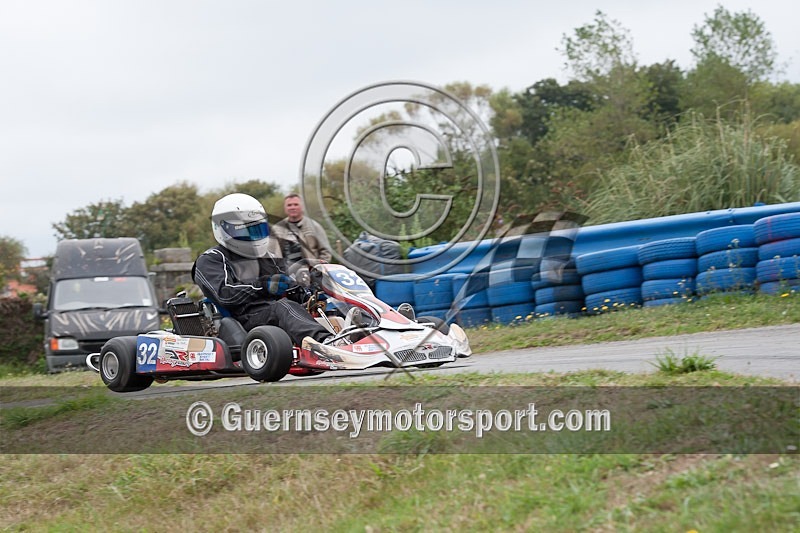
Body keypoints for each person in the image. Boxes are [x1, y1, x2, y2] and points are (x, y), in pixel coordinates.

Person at [192, 193, 338, 353]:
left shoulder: (267, 256)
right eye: (246, 230)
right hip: (242, 320)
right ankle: (326, 344)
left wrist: (310, 293)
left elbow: (289, 285)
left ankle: (357, 338)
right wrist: (263, 286)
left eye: (257, 229)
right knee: (283, 307)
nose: (253, 236)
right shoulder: (211, 259)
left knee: (332, 304)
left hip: (274, 315)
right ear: (224, 228)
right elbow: (224, 295)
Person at [269, 193, 333, 266]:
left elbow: (326, 251)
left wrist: (319, 269)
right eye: (289, 205)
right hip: (285, 272)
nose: (292, 207)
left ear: (302, 207)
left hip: (310, 271)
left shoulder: (314, 226)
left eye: (296, 204)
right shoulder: (277, 228)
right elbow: (271, 253)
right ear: (285, 208)